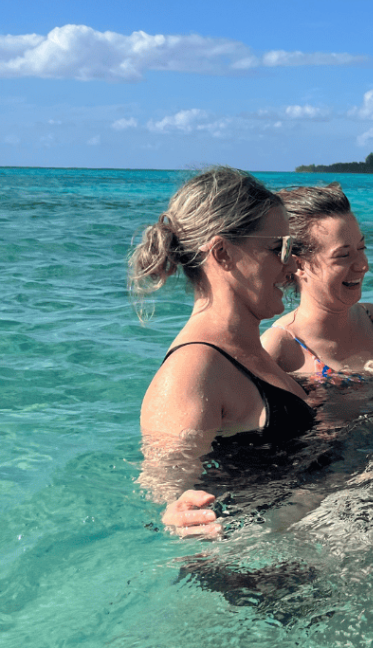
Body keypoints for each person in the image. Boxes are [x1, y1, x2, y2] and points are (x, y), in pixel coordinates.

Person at [130, 167, 315, 537]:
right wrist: (175, 509)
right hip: (261, 577)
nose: (292, 263)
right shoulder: (192, 369)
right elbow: (164, 491)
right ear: (221, 253)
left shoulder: (249, 350)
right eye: (278, 248)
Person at [261, 183, 373, 379]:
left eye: (362, 248)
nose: (363, 266)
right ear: (297, 265)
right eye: (343, 255)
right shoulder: (280, 347)